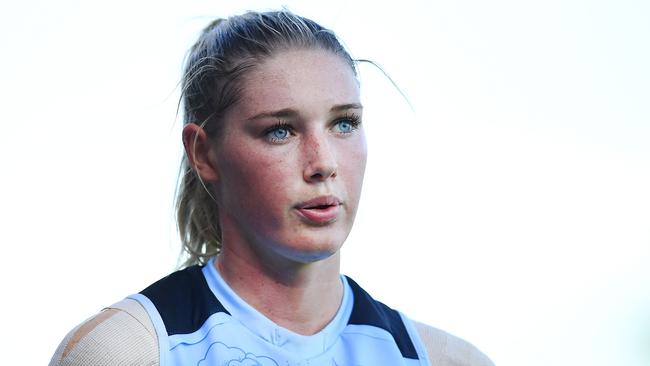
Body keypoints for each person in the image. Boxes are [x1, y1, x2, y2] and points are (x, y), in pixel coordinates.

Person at [49, 10, 494, 366]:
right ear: (203, 153)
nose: (323, 163)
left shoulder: (443, 359)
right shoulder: (127, 352)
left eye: (344, 123)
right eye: (280, 131)